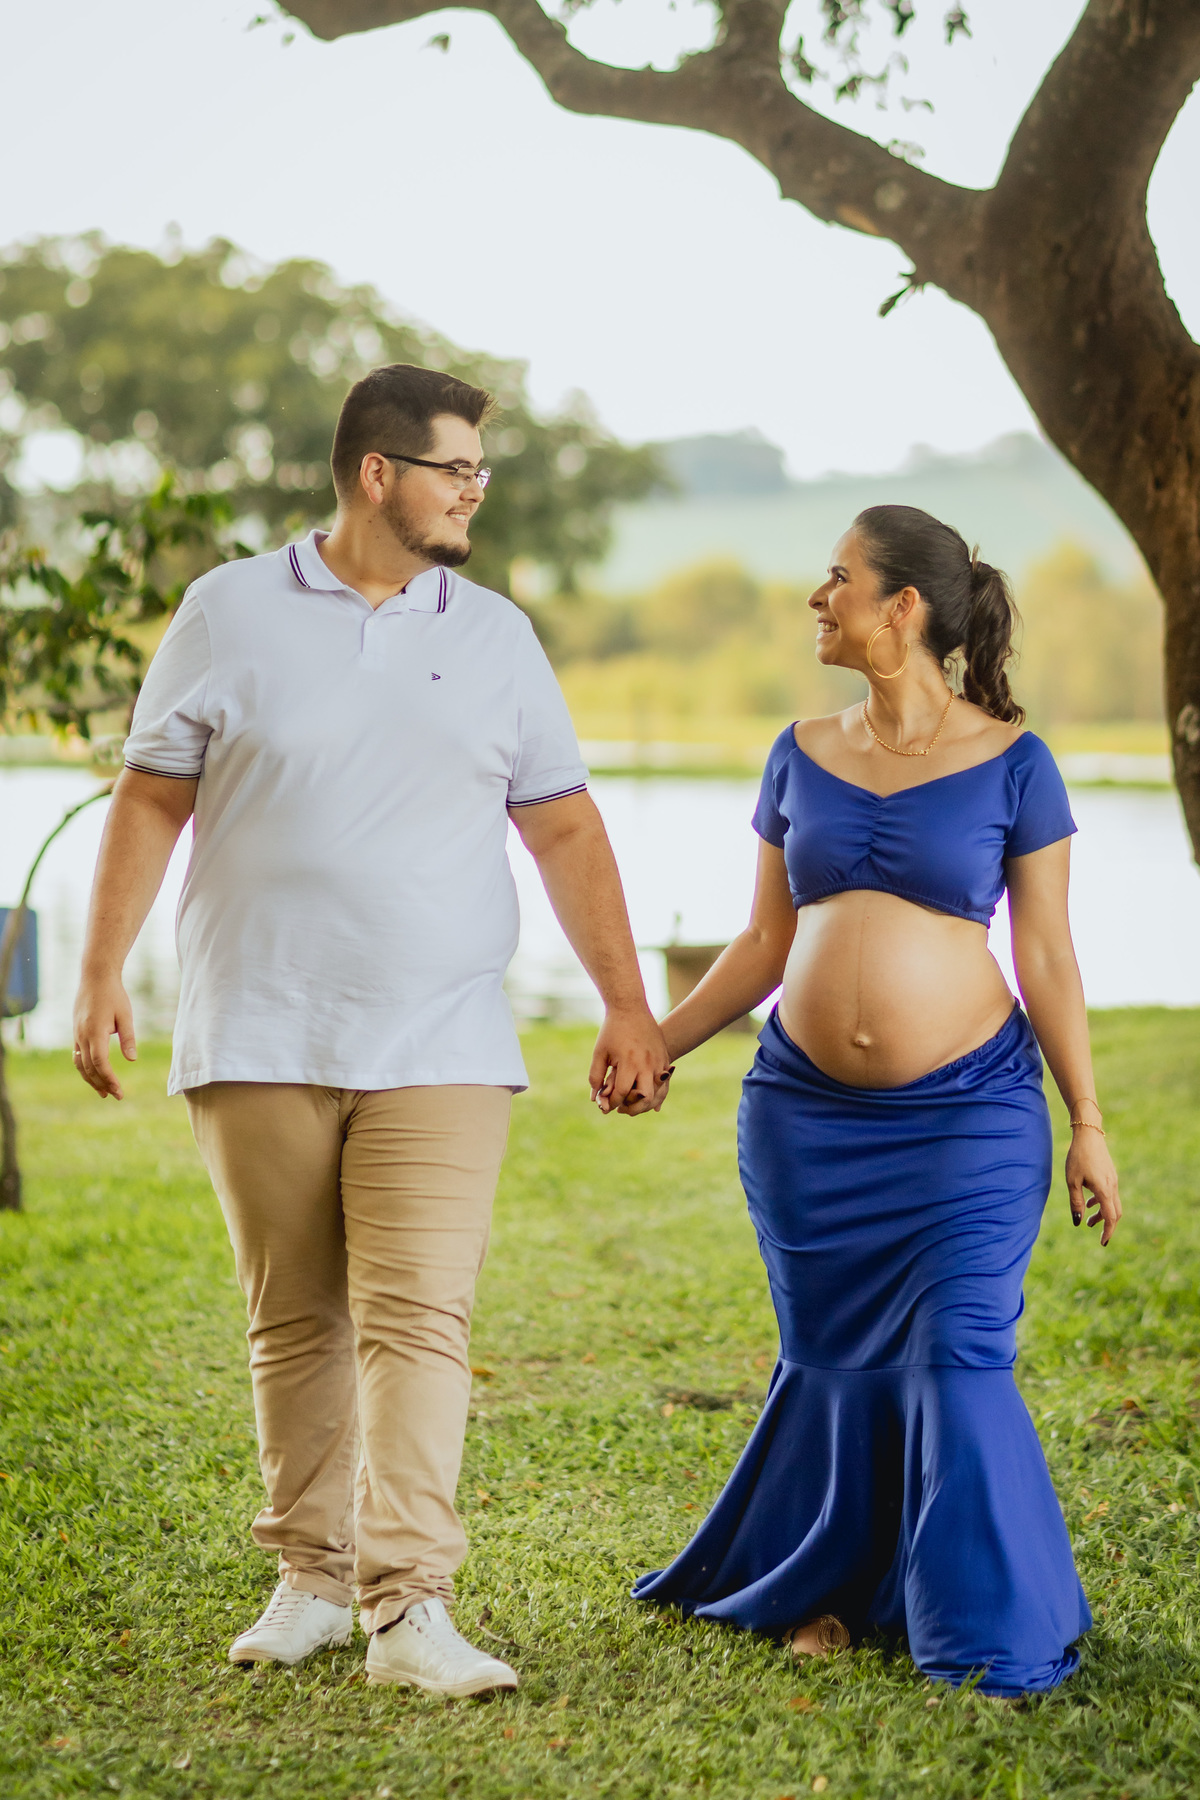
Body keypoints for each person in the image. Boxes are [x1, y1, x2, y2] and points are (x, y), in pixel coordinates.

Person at [72, 363, 670, 1697]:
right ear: (378, 474)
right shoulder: (226, 611)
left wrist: (628, 1002)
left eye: (481, 473)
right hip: (257, 1024)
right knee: (295, 1321)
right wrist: (101, 969)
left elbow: (564, 827)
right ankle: (312, 1580)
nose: (476, 493)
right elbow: (152, 797)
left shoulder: (499, 636)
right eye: (458, 470)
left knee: (419, 1319)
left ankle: (410, 1609)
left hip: (442, 1037)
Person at [633, 504, 1121, 1697]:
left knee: (957, 1356)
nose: (819, 597)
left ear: (902, 607)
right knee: (834, 1361)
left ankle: (986, 1627)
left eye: (837, 577)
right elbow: (762, 942)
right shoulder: (799, 749)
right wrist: (659, 1041)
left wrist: (1090, 1123)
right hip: (805, 1121)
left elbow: (1048, 957)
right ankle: (834, 1588)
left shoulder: (1016, 761)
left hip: (971, 1118)